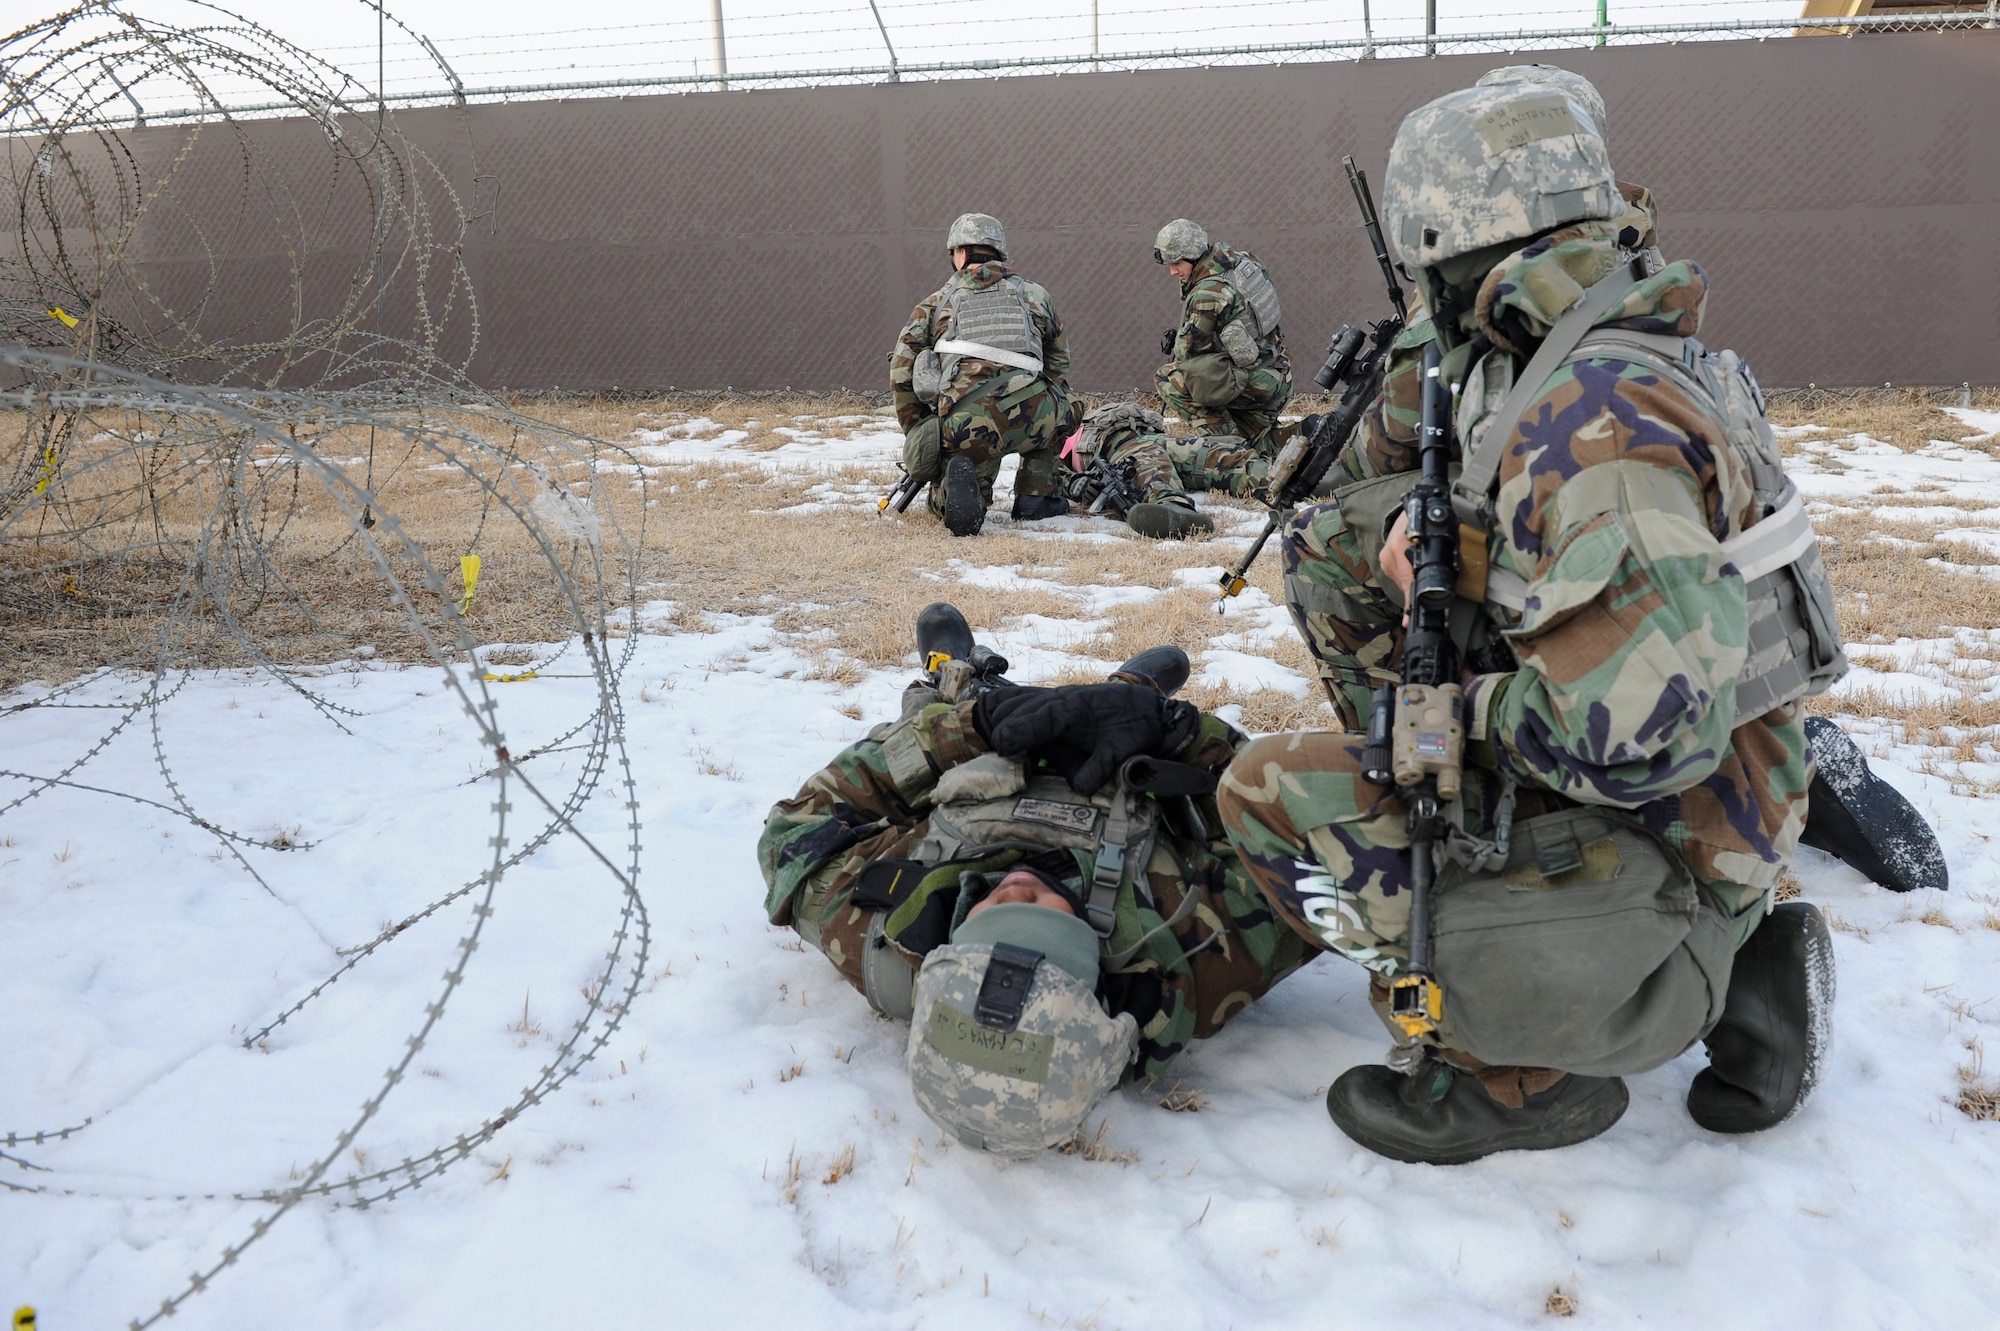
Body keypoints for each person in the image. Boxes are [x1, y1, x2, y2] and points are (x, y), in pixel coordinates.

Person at [1215, 79, 1856, 1165]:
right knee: (1341, 548)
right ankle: (1729, 950)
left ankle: (1518, 1071)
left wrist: (1451, 715)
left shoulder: (1594, 426)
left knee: (1262, 794)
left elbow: (1633, 735)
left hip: (1670, 823)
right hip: (1721, 798)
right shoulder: (1588, 336)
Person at [756, 604, 1316, 1157]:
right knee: (1118, 708)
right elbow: (1314, 839)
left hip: (984, 764)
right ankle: (1131, 685)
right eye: (1045, 931)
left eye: (989, 925)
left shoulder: (878, 935)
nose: (1016, 891)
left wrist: (966, 729)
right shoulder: (1194, 962)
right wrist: (1175, 730)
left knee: (923, 715)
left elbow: (795, 826)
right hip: (1126, 767)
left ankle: (949, 673)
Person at [889, 213, 1080, 537]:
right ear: (998, 252)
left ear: (961, 253)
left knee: (962, 471)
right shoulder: (1035, 295)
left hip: (966, 424)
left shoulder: (935, 303)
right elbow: (1059, 363)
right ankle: (1037, 496)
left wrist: (925, 433)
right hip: (1033, 415)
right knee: (1067, 405)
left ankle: (956, 493)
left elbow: (902, 372)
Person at [1152, 220, 1293, 455]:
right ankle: (1297, 435)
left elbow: (1187, 356)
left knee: (1169, 378)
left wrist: (1181, 339)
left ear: (1194, 256)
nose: (1173, 271)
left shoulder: (1208, 293)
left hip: (1257, 385)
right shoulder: (1243, 262)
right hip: (1278, 373)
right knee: (1260, 443)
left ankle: (1228, 449)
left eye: (1177, 263)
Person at [1058, 400, 1276, 539]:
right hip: (1117, 448)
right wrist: (1071, 483)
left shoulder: (1068, 408)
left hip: (1153, 436)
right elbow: (1041, 474)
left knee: (1210, 455)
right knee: (1150, 463)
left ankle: (1283, 479)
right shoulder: (1048, 431)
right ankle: (1174, 510)